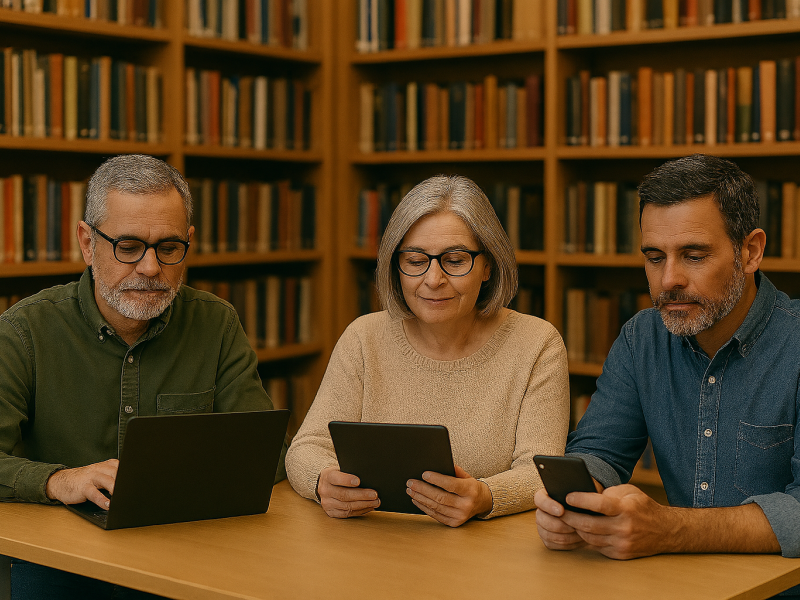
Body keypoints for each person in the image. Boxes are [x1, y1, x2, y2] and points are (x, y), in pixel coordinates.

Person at [0, 155, 286, 599]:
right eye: (128, 247)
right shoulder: (25, 331)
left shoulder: (216, 324)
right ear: (87, 242)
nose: (151, 269)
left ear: (188, 242)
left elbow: (262, 455)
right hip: (61, 564)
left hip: (187, 555)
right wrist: (58, 480)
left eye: (168, 248)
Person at [535, 154, 800, 573]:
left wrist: (670, 529)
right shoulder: (642, 338)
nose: (668, 279)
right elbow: (599, 452)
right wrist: (574, 501)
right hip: (678, 583)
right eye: (655, 257)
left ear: (750, 252)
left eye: (693, 255)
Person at [286, 174, 569, 527]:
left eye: (454, 259)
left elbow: (540, 470)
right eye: (416, 260)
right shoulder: (363, 337)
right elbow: (305, 447)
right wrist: (322, 480)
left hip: (488, 555)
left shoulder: (537, 343)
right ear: (395, 265)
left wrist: (485, 496)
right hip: (373, 543)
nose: (433, 280)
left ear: (487, 266)